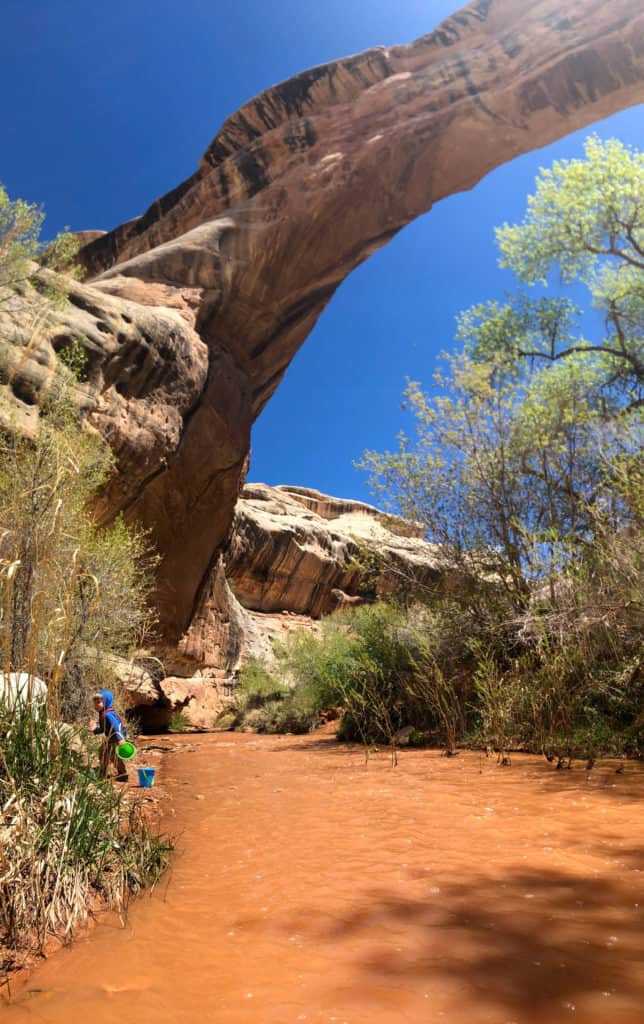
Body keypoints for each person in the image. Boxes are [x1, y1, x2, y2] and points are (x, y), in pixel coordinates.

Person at [92, 689, 129, 782]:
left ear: (106, 701)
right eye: (95, 703)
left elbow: (116, 727)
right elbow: (103, 728)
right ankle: (103, 770)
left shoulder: (108, 715)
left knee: (114, 756)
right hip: (111, 738)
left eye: (99, 702)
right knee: (102, 752)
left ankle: (123, 773)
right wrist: (94, 731)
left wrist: (120, 739)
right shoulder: (103, 714)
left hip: (115, 738)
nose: (96, 705)